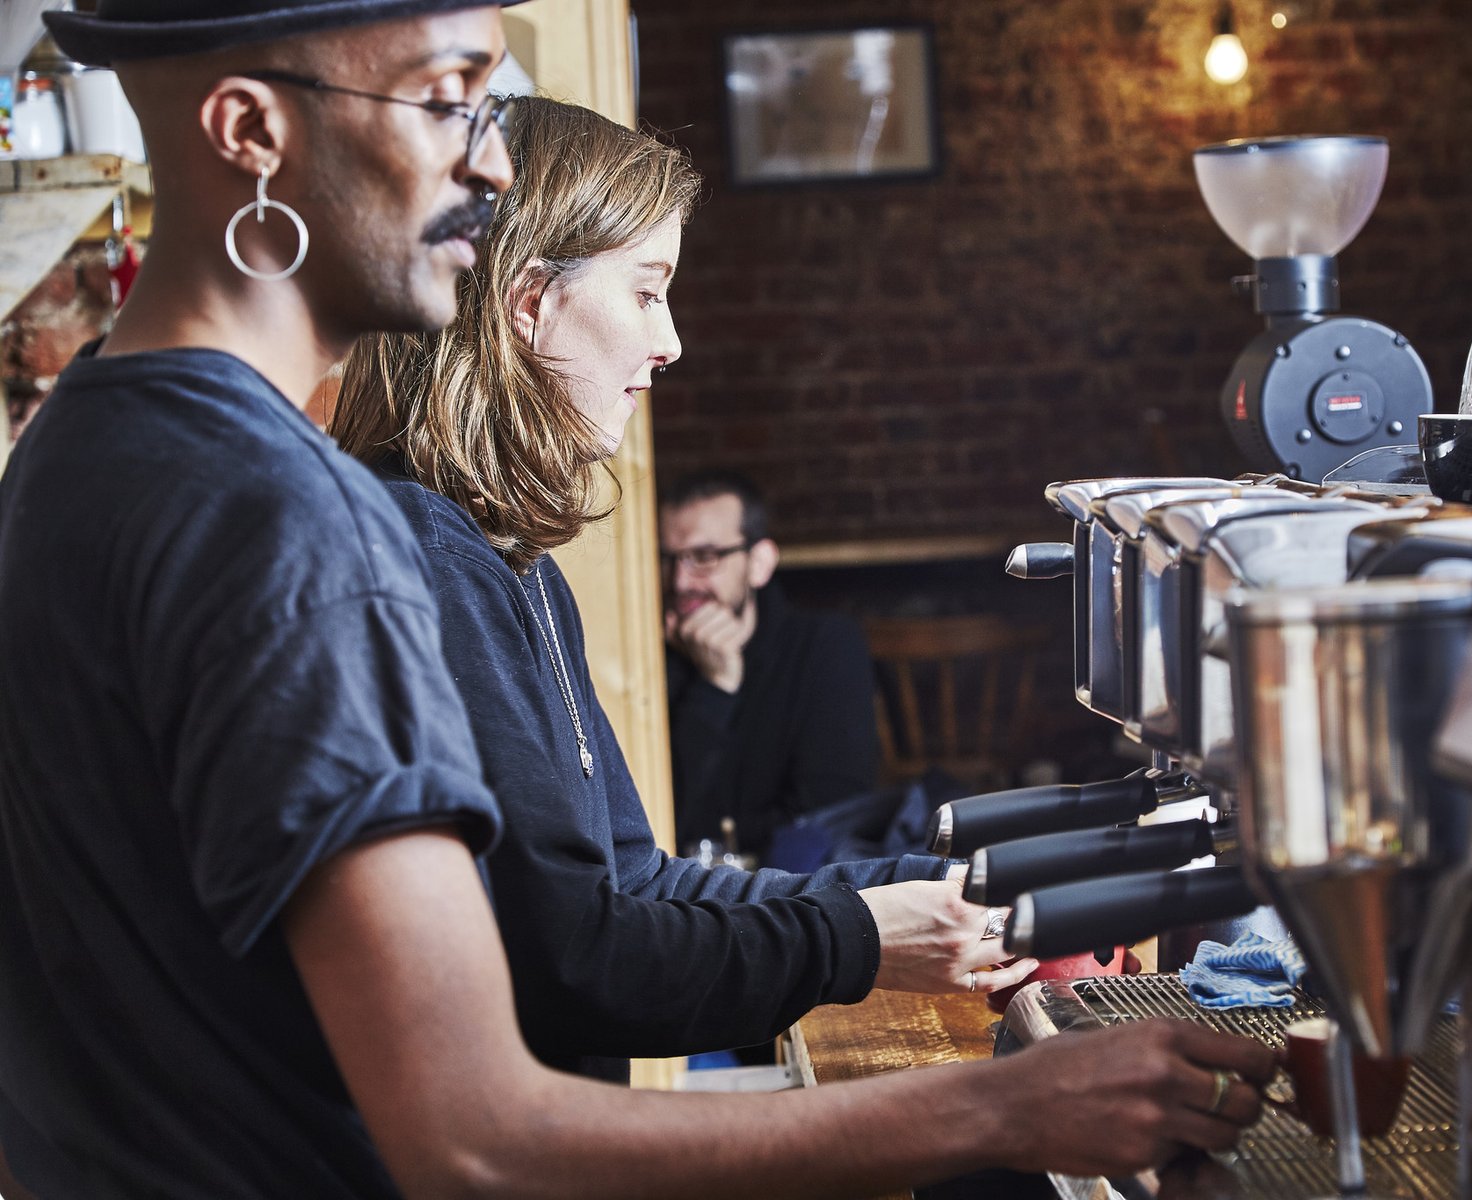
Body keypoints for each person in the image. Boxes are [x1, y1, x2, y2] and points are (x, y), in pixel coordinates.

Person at [0, 4, 1276, 1197]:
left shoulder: (76, 453)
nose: (491, 171)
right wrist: (1000, 1113)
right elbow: (475, 1134)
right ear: (252, 134)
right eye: (448, 101)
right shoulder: (290, 521)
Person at [332, 96, 1036, 1080]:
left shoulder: (512, 562)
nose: (670, 343)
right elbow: (580, 963)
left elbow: (638, 884)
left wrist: (934, 884)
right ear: (529, 303)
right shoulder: (423, 559)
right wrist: (859, 939)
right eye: (647, 291)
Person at [661, 470, 883, 861]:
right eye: (667, 558)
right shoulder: (651, 661)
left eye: (704, 557)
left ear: (759, 563)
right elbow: (658, 817)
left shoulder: (825, 646)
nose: (680, 581)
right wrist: (713, 691)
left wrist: (712, 831)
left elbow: (833, 813)